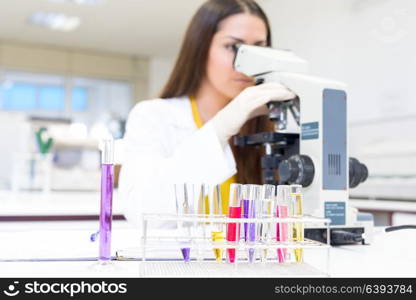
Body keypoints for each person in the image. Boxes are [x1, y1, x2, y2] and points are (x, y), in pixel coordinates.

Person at [119, 0, 295, 226]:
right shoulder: (153, 116)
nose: (246, 64)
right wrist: (221, 127)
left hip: (252, 261)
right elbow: (142, 213)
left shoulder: (269, 125)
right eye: (233, 47)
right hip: (182, 261)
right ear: (200, 49)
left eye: (259, 49)